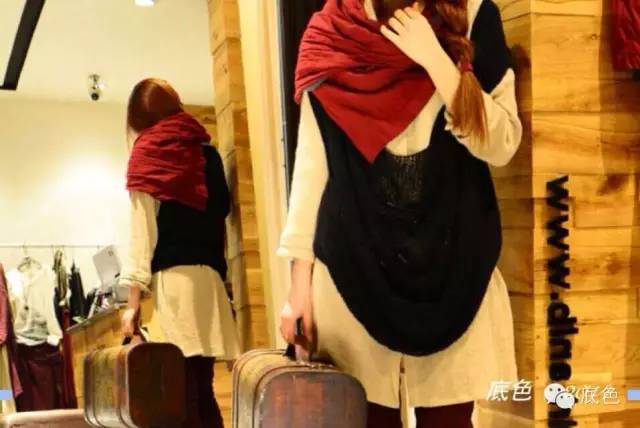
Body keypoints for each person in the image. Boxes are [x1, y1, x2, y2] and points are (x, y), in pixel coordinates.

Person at [278, 0, 522, 427]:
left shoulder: (472, 14)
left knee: (449, 421)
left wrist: (435, 60)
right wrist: (299, 286)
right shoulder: (330, 34)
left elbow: (502, 144)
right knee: (364, 417)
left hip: (454, 267)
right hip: (354, 270)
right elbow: (313, 166)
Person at [120, 78, 240, 428]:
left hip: (175, 285)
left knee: (179, 395)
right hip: (210, 284)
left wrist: (132, 304)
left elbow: (142, 235)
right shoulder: (207, 153)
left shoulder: (148, 154)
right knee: (202, 387)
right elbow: (220, 212)